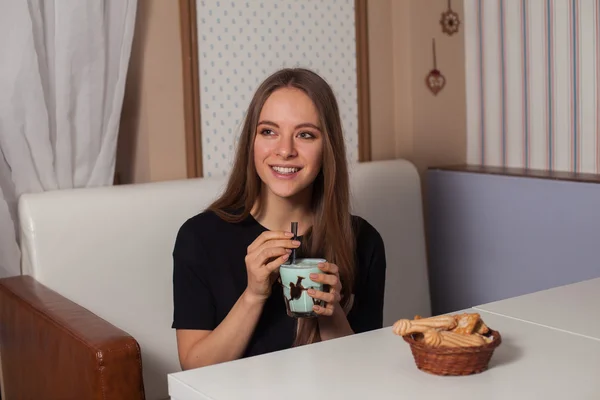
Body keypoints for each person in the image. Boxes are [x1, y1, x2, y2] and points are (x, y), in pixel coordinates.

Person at [171, 68, 387, 370]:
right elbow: (194, 368)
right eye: (269, 131)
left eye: (305, 134)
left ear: (328, 148)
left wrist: (332, 311)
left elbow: (362, 371)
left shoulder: (364, 240)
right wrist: (253, 295)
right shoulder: (200, 237)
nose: (285, 150)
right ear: (252, 141)